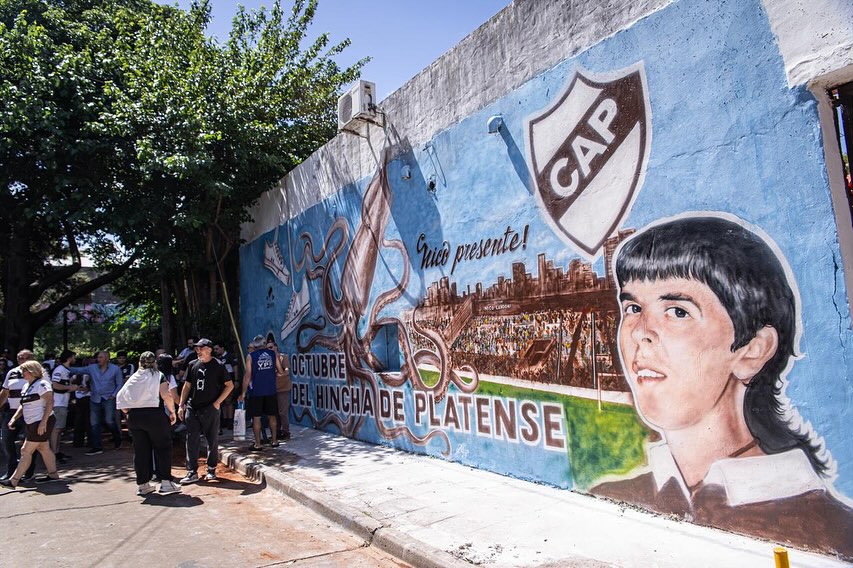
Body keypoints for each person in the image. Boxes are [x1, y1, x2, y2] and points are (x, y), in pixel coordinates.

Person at [591, 214, 853, 559]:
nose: (641, 331)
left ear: (753, 350)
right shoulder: (613, 497)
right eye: (634, 307)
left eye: (677, 311)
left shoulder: (829, 530)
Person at [116, 352, 181, 496]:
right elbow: (166, 395)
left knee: (141, 451)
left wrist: (127, 411)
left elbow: (120, 396)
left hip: (135, 416)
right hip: (154, 415)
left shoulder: (133, 377)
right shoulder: (159, 376)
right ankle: (165, 482)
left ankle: (143, 484)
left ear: (140, 362)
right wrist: (172, 412)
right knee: (163, 447)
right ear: (154, 363)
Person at [178, 338, 233, 484]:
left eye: (201, 348)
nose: (198, 351)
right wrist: (181, 405)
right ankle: (192, 471)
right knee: (191, 438)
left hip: (210, 407)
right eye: (197, 348)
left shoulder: (219, 365)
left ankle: (211, 469)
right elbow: (187, 386)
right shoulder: (192, 364)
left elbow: (229, 385)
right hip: (193, 406)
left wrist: (217, 403)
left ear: (209, 349)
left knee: (212, 439)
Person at [0, 360, 59, 487]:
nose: (22, 373)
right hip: (32, 422)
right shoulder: (27, 386)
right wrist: (14, 418)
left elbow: (50, 402)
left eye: (24, 370)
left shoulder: (42, 384)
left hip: (41, 422)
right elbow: (23, 405)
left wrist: (43, 422)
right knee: (43, 448)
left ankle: (13, 480)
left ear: (32, 371)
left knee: (25, 451)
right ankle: (53, 475)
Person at [70, 351, 124, 455]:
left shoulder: (115, 369)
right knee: (94, 423)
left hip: (109, 398)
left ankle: (117, 438)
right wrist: (65, 367)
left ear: (107, 358)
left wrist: (114, 395)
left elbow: (119, 384)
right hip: (95, 398)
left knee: (109, 421)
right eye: (98, 357)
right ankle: (97, 446)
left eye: (101, 357)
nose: (98, 359)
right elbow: (78, 370)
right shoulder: (92, 368)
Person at [239, 336, 282, 451]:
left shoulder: (251, 356)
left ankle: (258, 444)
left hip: (256, 391)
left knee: (256, 418)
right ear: (264, 343)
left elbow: (247, 376)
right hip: (271, 390)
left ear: (254, 345)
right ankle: (274, 441)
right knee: (272, 416)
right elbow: (280, 371)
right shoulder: (273, 354)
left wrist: (243, 393)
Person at [0, 350, 38, 481]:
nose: (21, 360)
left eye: (24, 358)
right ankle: (11, 468)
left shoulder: (38, 372)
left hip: (31, 412)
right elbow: (5, 393)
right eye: (19, 358)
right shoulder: (11, 372)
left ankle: (28, 471)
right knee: (6, 440)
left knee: (30, 443)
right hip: (11, 412)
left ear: (32, 359)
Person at [49, 350, 80, 464]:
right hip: (58, 403)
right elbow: (55, 385)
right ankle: (54, 453)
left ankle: (57, 451)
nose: (74, 359)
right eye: (73, 357)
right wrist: (69, 388)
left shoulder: (65, 371)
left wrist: (70, 384)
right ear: (69, 358)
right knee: (56, 430)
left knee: (59, 429)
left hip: (63, 403)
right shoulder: (60, 370)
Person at [270, 340, 292, 441]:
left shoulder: (283, 357)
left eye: (271, 347)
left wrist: (281, 374)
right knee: (275, 412)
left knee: (283, 412)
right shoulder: (268, 359)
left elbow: (287, 370)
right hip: (273, 389)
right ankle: (277, 432)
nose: (269, 349)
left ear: (276, 347)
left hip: (283, 388)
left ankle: (286, 432)